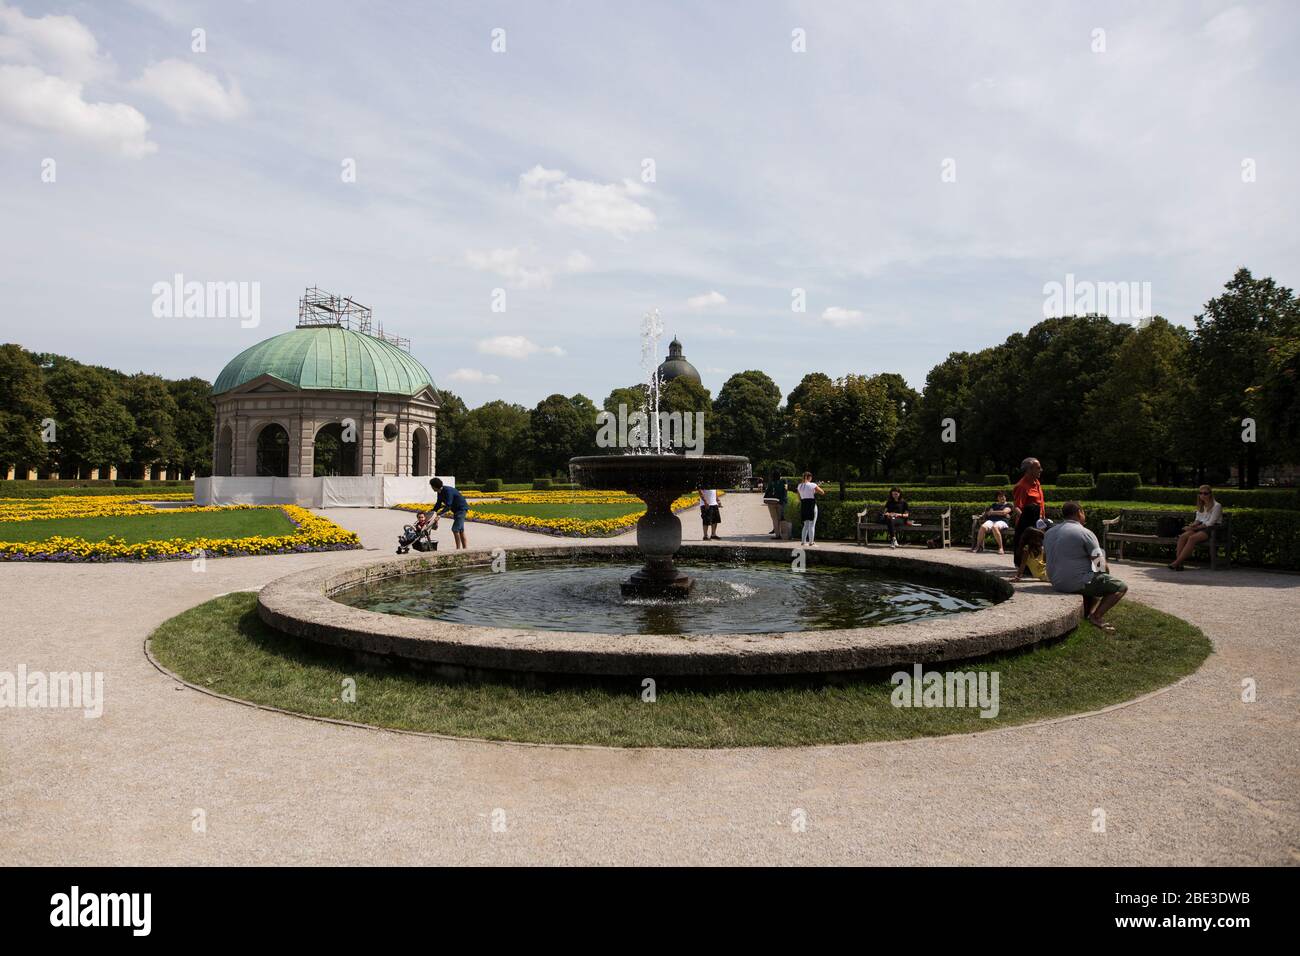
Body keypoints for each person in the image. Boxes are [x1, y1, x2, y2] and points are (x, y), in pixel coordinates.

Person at [1044, 501, 1127, 632]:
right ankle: (1096, 616)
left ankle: (1087, 612)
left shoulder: (1049, 532)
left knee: (1092, 577)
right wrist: (1106, 575)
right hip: (1072, 582)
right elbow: (1100, 564)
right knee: (1119, 586)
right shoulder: (1085, 532)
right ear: (1079, 513)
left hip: (1055, 581)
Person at [1169, 485, 1223, 571]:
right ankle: (1179, 564)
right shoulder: (1201, 506)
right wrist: (1190, 526)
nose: (1203, 495)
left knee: (1192, 538)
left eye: (1205, 493)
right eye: (1200, 493)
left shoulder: (1217, 506)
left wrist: (1194, 529)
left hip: (1212, 529)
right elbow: (1197, 520)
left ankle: (1176, 563)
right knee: (1183, 536)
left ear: (1210, 494)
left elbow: (1210, 523)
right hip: (1200, 527)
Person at [1011, 457, 1045, 562]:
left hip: (1039, 522)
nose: (1041, 470)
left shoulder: (1036, 482)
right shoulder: (1022, 486)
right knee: (1024, 551)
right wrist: (1027, 523)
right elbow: (1016, 507)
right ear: (1029, 470)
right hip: (1028, 525)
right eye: (1038, 468)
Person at [428, 477, 470, 550]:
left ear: (435, 486)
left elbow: (448, 505)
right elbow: (438, 504)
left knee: (455, 529)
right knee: (461, 530)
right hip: (456, 510)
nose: (431, 487)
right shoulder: (440, 492)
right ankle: (465, 549)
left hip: (461, 509)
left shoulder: (447, 491)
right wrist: (432, 511)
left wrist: (439, 515)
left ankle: (458, 549)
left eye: (431, 486)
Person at [796, 471, 825, 546]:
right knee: (812, 525)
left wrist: (813, 491)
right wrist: (815, 489)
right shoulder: (813, 484)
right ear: (809, 477)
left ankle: (803, 541)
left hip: (804, 505)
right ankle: (811, 542)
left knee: (805, 525)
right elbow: (822, 492)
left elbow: (799, 497)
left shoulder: (799, 486)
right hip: (811, 505)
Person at [761, 471, 788, 536]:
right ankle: (782, 534)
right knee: (779, 518)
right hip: (780, 502)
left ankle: (777, 535)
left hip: (771, 502)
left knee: (774, 519)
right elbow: (785, 491)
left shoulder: (771, 483)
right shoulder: (783, 482)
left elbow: (767, 492)